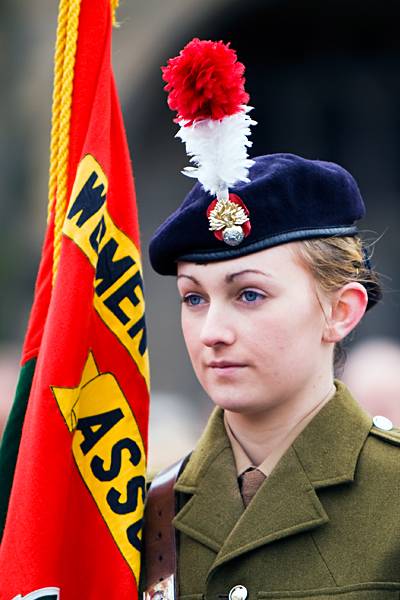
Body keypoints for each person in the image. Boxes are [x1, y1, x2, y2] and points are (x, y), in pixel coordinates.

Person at [142, 39, 400, 600]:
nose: (212, 331)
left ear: (341, 310)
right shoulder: (147, 509)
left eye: (250, 295)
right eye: (193, 298)